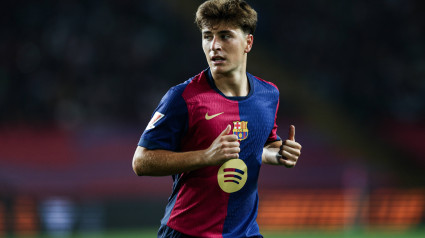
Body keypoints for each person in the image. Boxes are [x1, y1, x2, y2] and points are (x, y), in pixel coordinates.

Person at [132, 0, 302, 237]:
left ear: (248, 43)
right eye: (207, 36)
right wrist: (206, 156)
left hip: (245, 232)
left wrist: (280, 153)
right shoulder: (183, 97)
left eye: (225, 36)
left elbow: (262, 147)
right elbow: (141, 162)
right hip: (187, 232)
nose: (214, 46)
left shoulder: (269, 94)